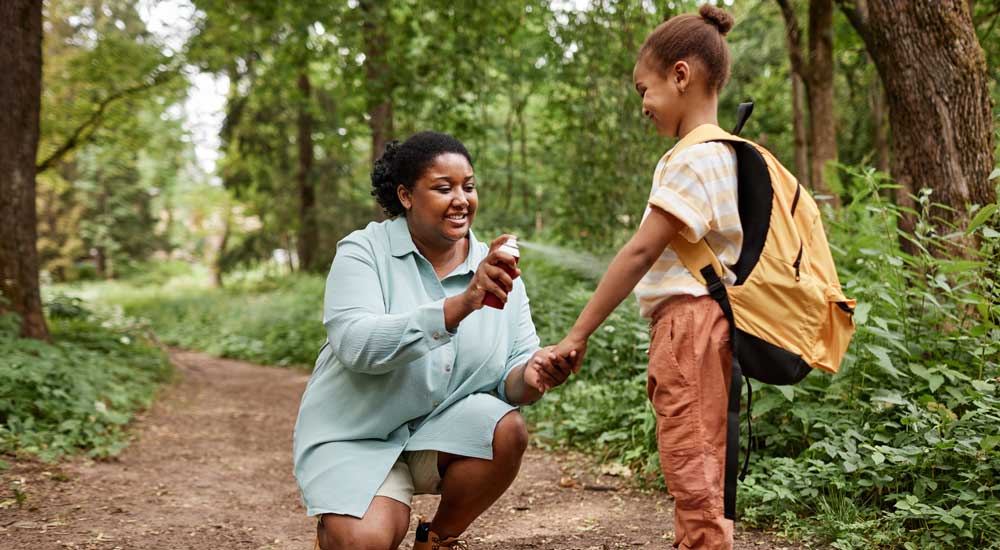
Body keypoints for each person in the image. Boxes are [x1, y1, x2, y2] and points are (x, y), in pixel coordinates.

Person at [293, 131, 574, 550]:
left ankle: (437, 539)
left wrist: (533, 373)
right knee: (364, 542)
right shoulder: (363, 252)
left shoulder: (497, 271)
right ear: (406, 196)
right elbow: (356, 344)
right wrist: (462, 304)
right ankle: (339, 529)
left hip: (437, 435)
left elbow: (513, 376)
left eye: (469, 186)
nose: (462, 199)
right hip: (356, 435)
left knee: (507, 428)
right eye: (444, 188)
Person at [554, 6, 740, 549]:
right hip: (712, 324)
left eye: (645, 89)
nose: (642, 105)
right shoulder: (728, 152)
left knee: (692, 462)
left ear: (680, 75)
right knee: (702, 457)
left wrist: (577, 333)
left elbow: (638, 254)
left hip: (689, 326)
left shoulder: (691, 159)